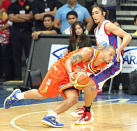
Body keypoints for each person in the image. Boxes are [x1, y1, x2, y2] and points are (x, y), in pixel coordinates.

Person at [4, 45, 116, 128]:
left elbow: (90, 85)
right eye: (110, 54)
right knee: (42, 94)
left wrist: (88, 106)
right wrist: (71, 74)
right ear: (103, 51)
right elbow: (68, 61)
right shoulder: (88, 53)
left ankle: (51, 116)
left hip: (72, 77)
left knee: (73, 99)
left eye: (113, 56)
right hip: (61, 70)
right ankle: (18, 96)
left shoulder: (103, 64)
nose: (112, 58)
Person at [71, 4, 132, 125]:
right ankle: (86, 107)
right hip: (103, 63)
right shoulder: (95, 29)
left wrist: (119, 49)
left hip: (113, 64)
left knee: (87, 83)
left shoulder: (107, 25)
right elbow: (102, 48)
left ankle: (87, 113)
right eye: (93, 13)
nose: (94, 15)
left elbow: (127, 36)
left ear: (103, 13)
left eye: (97, 13)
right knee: (90, 85)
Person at [8, 0, 33, 80]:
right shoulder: (13, 5)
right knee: (16, 56)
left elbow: (30, 17)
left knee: (29, 56)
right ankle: (18, 78)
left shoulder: (30, 4)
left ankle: (30, 78)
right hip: (16, 33)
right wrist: (25, 17)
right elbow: (11, 18)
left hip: (27, 32)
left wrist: (17, 16)